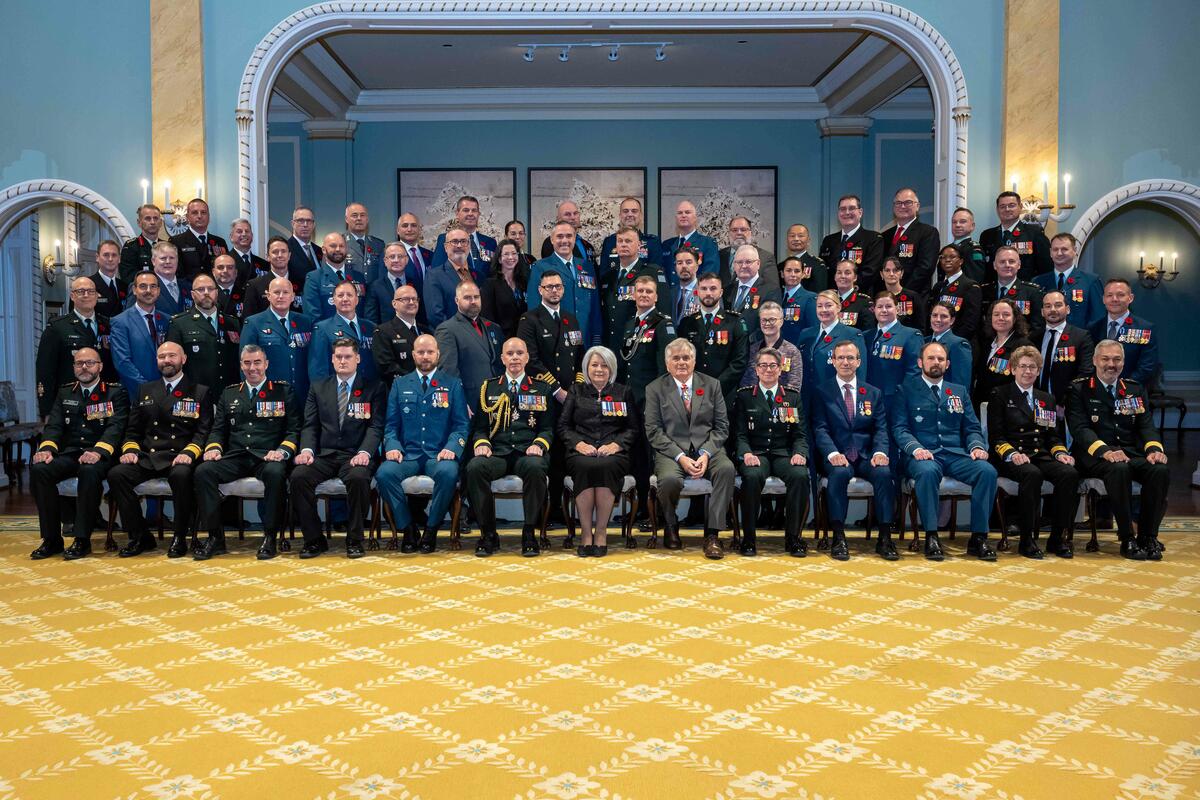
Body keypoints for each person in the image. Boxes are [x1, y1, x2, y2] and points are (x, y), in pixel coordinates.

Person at [891, 341, 998, 562]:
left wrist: (977, 447)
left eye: (940, 359)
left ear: (947, 364)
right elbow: (899, 429)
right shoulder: (905, 389)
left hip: (955, 454)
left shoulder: (958, 391)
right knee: (928, 472)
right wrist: (916, 448)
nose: (936, 362)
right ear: (921, 362)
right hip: (921, 455)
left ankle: (979, 537)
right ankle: (931, 535)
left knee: (986, 471)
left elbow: (971, 428)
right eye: (931, 358)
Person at [193, 345, 300, 560]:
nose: (252, 368)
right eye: (247, 363)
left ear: (266, 364)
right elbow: (218, 429)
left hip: (268, 456)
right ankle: (215, 538)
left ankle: (270, 537)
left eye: (257, 362)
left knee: (275, 473)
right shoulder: (230, 392)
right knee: (203, 471)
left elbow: (294, 430)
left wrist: (282, 451)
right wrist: (213, 448)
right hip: (237, 456)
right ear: (241, 365)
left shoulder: (283, 391)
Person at [107, 341, 213, 558]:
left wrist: (189, 453)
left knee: (182, 476)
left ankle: (180, 537)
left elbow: (203, 432)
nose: (167, 360)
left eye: (172, 356)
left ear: (183, 359)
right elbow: (133, 430)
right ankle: (140, 536)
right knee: (117, 475)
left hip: (180, 456)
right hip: (149, 457)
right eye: (162, 357)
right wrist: (130, 451)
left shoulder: (199, 391)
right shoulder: (145, 390)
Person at [1066, 340, 1169, 560]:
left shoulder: (1134, 389)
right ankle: (1127, 537)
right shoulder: (1078, 388)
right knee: (1119, 469)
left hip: (1129, 453)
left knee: (1158, 470)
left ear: (1123, 362)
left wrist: (1154, 450)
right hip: (1093, 455)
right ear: (1095, 361)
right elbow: (1080, 429)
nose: (1111, 364)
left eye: (1116, 359)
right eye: (1105, 359)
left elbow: (1146, 425)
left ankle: (1148, 536)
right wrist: (1105, 451)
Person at [28, 348, 129, 560]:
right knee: (39, 469)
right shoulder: (65, 392)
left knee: (89, 470)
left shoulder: (114, 392)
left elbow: (116, 428)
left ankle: (82, 539)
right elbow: (54, 425)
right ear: (73, 367)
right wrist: (46, 449)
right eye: (79, 363)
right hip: (72, 453)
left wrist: (98, 451)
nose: (84, 367)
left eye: (90, 363)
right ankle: (51, 539)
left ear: (100, 366)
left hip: (102, 455)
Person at [290, 338, 386, 559]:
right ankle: (314, 540)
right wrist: (306, 450)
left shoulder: (374, 388)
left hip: (355, 455)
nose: (343, 361)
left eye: (348, 357)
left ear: (358, 359)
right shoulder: (318, 387)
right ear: (332, 359)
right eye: (339, 357)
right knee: (298, 477)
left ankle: (354, 539)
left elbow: (376, 426)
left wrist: (364, 453)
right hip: (325, 455)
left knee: (359, 478)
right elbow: (310, 425)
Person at [644, 338, 736, 558]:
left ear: (695, 361)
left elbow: (722, 427)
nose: (681, 362)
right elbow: (653, 431)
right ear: (667, 364)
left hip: (708, 449)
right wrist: (680, 457)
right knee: (668, 481)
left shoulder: (712, 385)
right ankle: (671, 524)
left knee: (726, 469)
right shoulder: (655, 388)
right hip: (672, 451)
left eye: (686, 357)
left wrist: (705, 453)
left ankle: (713, 534)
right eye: (676, 358)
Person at [376, 334, 469, 553]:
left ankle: (431, 529)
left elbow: (461, 425)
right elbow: (390, 425)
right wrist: (392, 447)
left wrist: (452, 448)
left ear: (438, 354)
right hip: (408, 454)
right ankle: (408, 528)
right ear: (413, 355)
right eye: (420, 352)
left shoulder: (452, 384)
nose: (425, 356)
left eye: (430, 352)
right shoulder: (400, 384)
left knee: (449, 473)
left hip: (438, 454)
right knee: (384, 474)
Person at [987, 345, 1080, 559]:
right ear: (1013, 369)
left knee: (1069, 474)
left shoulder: (1046, 398)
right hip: (1010, 456)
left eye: (1032, 367)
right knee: (1032, 474)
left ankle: (1057, 538)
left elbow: (1053, 436)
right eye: (1023, 366)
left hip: (1040, 454)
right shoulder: (1000, 394)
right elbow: (996, 437)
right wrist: (1012, 454)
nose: (1027, 371)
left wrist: (1060, 454)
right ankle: (1026, 540)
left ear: (1038, 371)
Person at [465, 338, 554, 557]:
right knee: (475, 468)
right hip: (498, 452)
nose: (514, 357)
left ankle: (529, 532)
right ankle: (488, 534)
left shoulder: (541, 388)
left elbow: (548, 428)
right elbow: (479, 428)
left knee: (535, 467)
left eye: (519, 353)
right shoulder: (489, 387)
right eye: (510, 353)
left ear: (527, 357)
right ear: (502, 358)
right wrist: (482, 444)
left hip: (527, 452)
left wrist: (539, 444)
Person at [812, 340, 897, 560]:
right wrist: (831, 454)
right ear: (833, 361)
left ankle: (885, 537)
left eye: (850, 358)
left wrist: (880, 453)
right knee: (839, 474)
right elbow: (820, 429)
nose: (845, 362)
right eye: (840, 357)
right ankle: (838, 537)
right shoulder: (822, 392)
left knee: (884, 473)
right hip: (837, 455)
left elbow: (880, 428)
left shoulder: (872, 393)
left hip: (866, 455)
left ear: (859, 362)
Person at [558, 346, 636, 556]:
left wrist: (616, 445)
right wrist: (578, 444)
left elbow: (632, 428)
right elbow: (563, 426)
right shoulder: (576, 390)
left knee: (606, 466)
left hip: (614, 452)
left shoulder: (623, 391)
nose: (599, 369)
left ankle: (600, 532)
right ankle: (585, 534)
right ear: (586, 368)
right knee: (585, 466)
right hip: (580, 451)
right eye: (594, 365)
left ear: (611, 368)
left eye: (604, 365)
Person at [733, 347, 809, 557]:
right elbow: (739, 434)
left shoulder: (792, 397)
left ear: (780, 369)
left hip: (783, 453)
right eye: (763, 365)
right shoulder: (745, 396)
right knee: (751, 476)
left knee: (800, 475)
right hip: (756, 453)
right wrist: (746, 454)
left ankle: (793, 538)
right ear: (756, 370)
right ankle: (749, 539)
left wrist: (800, 453)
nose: (768, 370)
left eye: (773, 365)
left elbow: (800, 434)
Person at [618, 276, 674, 523]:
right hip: (631, 400)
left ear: (656, 296)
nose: (643, 294)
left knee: (654, 458)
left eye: (648, 291)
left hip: (652, 402)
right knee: (637, 457)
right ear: (633, 294)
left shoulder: (663, 324)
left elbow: (666, 367)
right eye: (639, 290)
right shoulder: (631, 323)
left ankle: (658, 511)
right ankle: (641, 508)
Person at [36, 277, 114, 417]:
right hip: (71, 403)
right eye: (80, 291)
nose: (86, 295)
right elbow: (45, 372)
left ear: (97, 296)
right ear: (72, 296)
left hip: (103, 401)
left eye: (90, 291)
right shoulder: (57, 328)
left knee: (103, 437)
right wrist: (47, 413)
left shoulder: (109, 326)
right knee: (76, 438)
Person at [676, 273, 749, 411]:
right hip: (693, 393)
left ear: (721, 292)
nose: (708, 293)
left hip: (724, 394)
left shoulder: (735, 322)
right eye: (703, 289)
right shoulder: (686, 323)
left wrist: (715, 387)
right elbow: (680, 359)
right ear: (697, 292)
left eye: (713, 288)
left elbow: (739, 362)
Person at [240, 277, 315, 403]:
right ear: (268, 296)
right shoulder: (254, 323)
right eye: (276, 292)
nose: (281, 296)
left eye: (285, 292)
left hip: (302, 394)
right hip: (270, 395)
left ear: (293, 296)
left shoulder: (305, 322)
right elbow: (246, 365)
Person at [435, 281, 503, 415]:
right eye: (467, 297)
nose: (473, 301)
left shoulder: (493, 327)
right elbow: (448, 371)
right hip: (470, 402)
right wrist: (458, 402)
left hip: (498, 400)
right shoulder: (447, 329)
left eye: (476, 297)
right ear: (456, 300)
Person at [526, 222, 600, 346]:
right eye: (559, 236)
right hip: (556, 341)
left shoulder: (587, 266)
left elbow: (595, 305)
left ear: (575, 238)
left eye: (569, 236)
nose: (564, 240)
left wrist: (597, 337)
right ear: (552, 239)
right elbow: (534, 307)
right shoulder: (540, 267)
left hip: (586, 339)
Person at [166, 273, 243, 393]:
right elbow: (174, 362)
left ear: (216, 292)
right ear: (192, 294)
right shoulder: (179, 323)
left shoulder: (232, 322)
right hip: (195, 393)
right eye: (201, 289)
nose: (206, 293)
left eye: (211, 289)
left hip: (229, 392)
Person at [600, 225, 669, 356]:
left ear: (639, 245)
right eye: (620, 241)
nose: (624, 245)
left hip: (640, 345)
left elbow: (663, 311)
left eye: (628, 241)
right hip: (611, 346)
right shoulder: (608, 277)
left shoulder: (652, 272)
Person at [795, 290, 867, 411]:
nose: (823, 310)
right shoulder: (806, 333)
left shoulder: (852, 334)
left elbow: (860, 372)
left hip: (836, 399)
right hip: (807, 398)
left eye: (828, 305)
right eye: (819, 306)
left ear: (839, 307)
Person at [110, 271, 170, 396]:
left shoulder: (168, 320)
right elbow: (122, 362)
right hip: (136, 393)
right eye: (143, 286)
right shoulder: (120, 322)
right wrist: (147, 389)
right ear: (134, 290)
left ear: (158, 291)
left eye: (153, 286)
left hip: (167, 392)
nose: (148, 290)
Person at [1032, 233, 1105, 331]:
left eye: (1064, 249)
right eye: (1055, 249)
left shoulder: (1090, 281)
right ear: (1050, 252)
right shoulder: (1038, 282)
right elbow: (1035, 317)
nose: (1059, 253)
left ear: (1075, 251)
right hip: (1046, 341)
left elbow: (1098, 318)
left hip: (1080, 342)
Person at [309, 281, 378, 383]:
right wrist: (323, 395)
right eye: (340, 295)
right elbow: (318, 369)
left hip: (369, 390)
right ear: (333, 300)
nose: (345, 299)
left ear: (357, 300)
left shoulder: (371, 327)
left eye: (349, 295)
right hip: (339, 390)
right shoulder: (322, 328)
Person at [1092, 278, 1158, 383]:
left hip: (1131, 391)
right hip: (1097, 391)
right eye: (1109, 295)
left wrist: (1120, 386)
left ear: (1130, 298)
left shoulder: (1144, 328)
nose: (1114, 299)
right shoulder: (1093, 328)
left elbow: (1147, 367)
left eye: (1120, 295)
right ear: (1103, 299)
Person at [1036, 290, 1095, 407]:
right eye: (1048, 306)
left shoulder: (1081, 337)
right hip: (1036, 403)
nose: (1053, 309)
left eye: (1058, 305)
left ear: (1067, 309)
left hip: (1067, 405)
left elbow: (1085, 373)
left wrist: (1065, 403)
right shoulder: (1033, 337)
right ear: (1042, 312)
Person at [979, 191, 1052, 283]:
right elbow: (983, 269)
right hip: (994, 292)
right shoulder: (987, 236)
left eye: (1011, 205)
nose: (1007, 209)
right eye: (1002, 206)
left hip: (1026, 291)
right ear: (997, 210)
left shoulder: (1034, 233)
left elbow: (1046, 267)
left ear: (1020, 207)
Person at [818, 195, 884, 293]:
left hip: (860, 297)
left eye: (852, 208)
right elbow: (823, 273)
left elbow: (870, 272)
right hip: (832, 299)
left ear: (860, 212)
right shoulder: (828, 240)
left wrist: (845, 291)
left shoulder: (873, 239)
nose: (847, 212)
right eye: (843, 209)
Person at [864, 291, 922, 402]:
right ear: (874, 310)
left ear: (897, 309)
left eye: (889, 306)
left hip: (896, 399)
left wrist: (904, 397)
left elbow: (914, 372)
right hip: (869, 396)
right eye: (880, 307)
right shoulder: (866, 336)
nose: (884, 310)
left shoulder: (911, 335)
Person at [973, 298, 1031, 408]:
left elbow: (1026, 381)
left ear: (1015, 319)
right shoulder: (986, 343)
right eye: (996, 314)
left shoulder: (1023, 346)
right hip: (982, 405)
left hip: (1008, 407)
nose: (1000, 318)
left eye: (1006, 314)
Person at [880, 187, 940, 292]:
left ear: (917, 206)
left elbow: (925, 268)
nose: (902, 206)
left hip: (913, 296)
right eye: (898, 203)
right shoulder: (885, 235)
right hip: (886, 296)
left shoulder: (928, 232)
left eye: (908, 202)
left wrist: (900, 291)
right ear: (894, 207)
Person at [981, 245, 1045, 343]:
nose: (1007, 265)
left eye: (1011, 261)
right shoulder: (984, 290)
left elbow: (1037, 327)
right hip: (988, 348)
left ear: (1019, 265)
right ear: (994, 265)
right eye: (1002, 262)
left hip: (1020, 349)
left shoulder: (1032, 292)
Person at [372, 284, 430, 388]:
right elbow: (386, 367)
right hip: (402, 390)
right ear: (394, 304)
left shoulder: (427, 331)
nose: (411, 302)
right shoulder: (383, 331)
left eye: (414, 299)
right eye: (405, 299)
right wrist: (419, 381)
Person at [423, 224, 480, 328]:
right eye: (454, 242)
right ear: (445, 247)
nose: (459, 245)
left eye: (463, 241)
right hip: (450, 339)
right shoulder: (434, 276)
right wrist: (462, 334)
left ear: (469, 245)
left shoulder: (479, 276)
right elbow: (436, 315)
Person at [302, 232, 367, 321]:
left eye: (341, 246)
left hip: (356, 332)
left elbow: (364, 311)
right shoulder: (314, 278)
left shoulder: (358, 277)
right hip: (327, 333)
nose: (338, 249)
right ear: (324, 250)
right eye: (333, 246)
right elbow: (312, 315)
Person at [724, 243, 782, 338]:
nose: (743, 266)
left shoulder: (770, 290)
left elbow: (770, 324)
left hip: (756, 347)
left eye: (748, 262)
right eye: (739, 262)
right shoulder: (727, 290)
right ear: (734, 265)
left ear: (758, 264)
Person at [742, 302, 803, 392]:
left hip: (783, 403)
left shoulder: (792, 351)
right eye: (764, 320)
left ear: (781, 321)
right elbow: (746, 382)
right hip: (754, 402)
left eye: (772, 319)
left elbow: (794, 386)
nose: (767, 323)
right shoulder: (752, 350)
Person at [431, 196, 497, 277]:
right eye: (466, 210)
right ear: (457, 214)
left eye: (474, 210)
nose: (470, 213)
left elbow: (494, 273)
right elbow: (436, 272)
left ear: (478, 214)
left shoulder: (490, 242)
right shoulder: (445, 239)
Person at [928, 244, 982, 341]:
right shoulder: (938, 286)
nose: (947, 260)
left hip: (957, 342)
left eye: (952, 257)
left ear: (961, 261)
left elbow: (970, 324)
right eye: (943, 257)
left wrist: (952, 341)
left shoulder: (970, 286)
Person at [243, 235, 305, 319]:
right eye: (275, 252)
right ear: (267, 257)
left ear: (289, 255)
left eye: (283, 251)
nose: (280, 255)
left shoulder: (302, 283)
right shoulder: (255, 285)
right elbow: (249, 320)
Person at [660, 201, 719, 285]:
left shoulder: (707, 243)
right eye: (680, 213)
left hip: (696, 294)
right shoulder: (667, 244)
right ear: (676, 218)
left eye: (687, 212)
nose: (683, 215)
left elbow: (710, 274)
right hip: (670, 295)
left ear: (695, 217)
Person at [599, 197, 662, 275]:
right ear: (620, 216)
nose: (629, 214)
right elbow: (603, 275)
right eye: (625, 211)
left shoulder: (652, 242)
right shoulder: (610, 241)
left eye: (634, 211)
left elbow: (657, 274)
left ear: (641, 216)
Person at [169, 198, 228, 282]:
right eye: (195, 213)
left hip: (215, 291)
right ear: (187, 217)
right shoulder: (176, 242)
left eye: (203, 212)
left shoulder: (219, 242)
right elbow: (177, 273)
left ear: (209, 216)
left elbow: (225, 269)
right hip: (189, 291)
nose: (199, 216)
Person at [480, 239, 528, 339]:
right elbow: (487, 318)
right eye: (506, 254)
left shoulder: (524, 282)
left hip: (524, 337)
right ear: (499, 259)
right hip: (501, 339)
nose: (511, 257)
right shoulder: (490, 284)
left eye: (514, 253)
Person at [719, 216, 780, 295]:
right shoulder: (719, 255)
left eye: (743, 230)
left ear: (750, 233)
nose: (739, 233)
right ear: (728, 233)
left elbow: (772, 289)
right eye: (734, 230)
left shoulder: (766, 257)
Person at [926, 301, 974, 390]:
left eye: (943, 316)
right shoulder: (924, 341)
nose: (938, 320)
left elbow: (960, 384)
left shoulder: (959, 344)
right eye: (934, 315)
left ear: (952, 320)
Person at [365, 242, 415, 324]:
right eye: (392, 257)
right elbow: (371, 320)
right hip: (385, 335)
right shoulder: (375, 287)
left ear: (406, 260)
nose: (396, 260)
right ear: (385, 261)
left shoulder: (416, 284)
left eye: (400, 256)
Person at [538, 199, 597, 265]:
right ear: (558, 219)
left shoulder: (587, 245)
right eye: (567, 214)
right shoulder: (552, 243)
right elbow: (553, 269)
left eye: (575, 213)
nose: (573, 217)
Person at [878, 256, 926, 332]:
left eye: (895, 270)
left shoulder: (913, 297)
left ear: (902, 273)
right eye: (887, 270)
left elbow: (921, 328)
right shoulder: (878, 298)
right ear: (881, 274)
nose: (891, 274)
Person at [778, 257, 818, 346]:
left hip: (798, 351)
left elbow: (813, 331)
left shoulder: (810, 298)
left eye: (797, 271)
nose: (793, 274)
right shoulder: (776, 297)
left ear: (803, 274)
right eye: (788, 270)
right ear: (782, 274)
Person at [343, 202, 387, 283]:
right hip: (350, 293)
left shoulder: (378, 244)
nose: (359, 218)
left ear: (367, 219)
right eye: (354, 215)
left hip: (374, 293)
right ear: (346, 219)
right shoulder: (340, 243)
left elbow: (383, 274)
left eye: (362, 215)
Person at [147, 241, 192, 317]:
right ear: (153, 261)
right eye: (163, 258)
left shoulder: (188, 286)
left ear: (177, 260)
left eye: (172, 258)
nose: (168, 262)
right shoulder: (144, 287)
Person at [119, 204, 163, 282]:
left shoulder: (166, 246)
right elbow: (128, 277)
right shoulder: (131, 247)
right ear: (139, 222)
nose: (152, 222)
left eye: (155, 218)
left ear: (160, 222)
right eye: (148, 218)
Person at [90, 239, 128, 318]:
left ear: (119, 258)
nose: (110, 259)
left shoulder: (125, 287)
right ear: (97, 257)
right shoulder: (89, 284)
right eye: (106, 255)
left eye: (114, 255)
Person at [396, 212, 434, 290]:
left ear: (419, 230)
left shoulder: (430, 255)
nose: (409, 229)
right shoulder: (390, 255)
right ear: (398, 230)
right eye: (405, 226)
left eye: (413, 225)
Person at [831, 259, 872, 331]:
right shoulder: (828, 299)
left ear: (855, 277)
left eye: (847, 273)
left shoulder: (864, 302)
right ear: (835, 277)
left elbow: (867, 333)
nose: (842, 276)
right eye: (839, 273)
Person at [783, 223, 826, 292]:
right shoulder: (781, 266)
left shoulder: (817, 264)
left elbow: (819, 293)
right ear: (787, 240)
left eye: (800, 236)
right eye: (792, 236)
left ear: (808, 240)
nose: (796, 239)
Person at [286, 206, 322, 286]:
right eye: (300, 221)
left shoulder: (319, 251)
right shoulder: (286, 249)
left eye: (309, 221)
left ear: (313, 225)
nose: (305, 225)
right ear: (293, 224)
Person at [668, 244, 704, 325]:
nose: (684, 266)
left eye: (688, 262)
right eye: (679, 263)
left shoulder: (706, 291)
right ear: (675, 267)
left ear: (697, 266)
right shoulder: (670, 293)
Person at [949, 207, 986, 281]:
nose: (957, 225)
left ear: (972, 226)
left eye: (962, 221)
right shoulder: (947, 249)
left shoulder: (973, 249)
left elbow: (975, 280)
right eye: (954, 222)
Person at [228, 217, 269, 282]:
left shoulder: (264, 264)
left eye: (247, 231)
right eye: (239, 231)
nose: (244, 234)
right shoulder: (224, 262)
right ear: (231, 237)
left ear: (252, 236)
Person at [211, 253, 248, 319]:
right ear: (213, 272)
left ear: (236, 272)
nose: (225, 271)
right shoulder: (207, 294)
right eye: (220, 267)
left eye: (230, 267)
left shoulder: (246, 294)